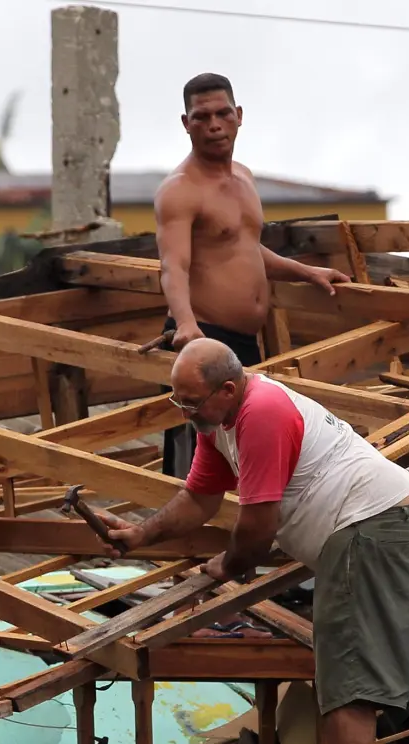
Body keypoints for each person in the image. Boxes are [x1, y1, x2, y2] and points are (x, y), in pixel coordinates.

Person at [96, 338, 409, 744]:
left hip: (368, 528)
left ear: (228, 388)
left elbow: (257, 526)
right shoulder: (219, 423)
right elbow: (198, 498)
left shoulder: (261, 413)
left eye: (192, 401)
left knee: (347, 685)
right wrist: (140, 535)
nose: (186, 412)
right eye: (178, 400)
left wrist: (228, 564)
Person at [152, 72, 347, 475]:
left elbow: (244, 247)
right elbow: (174, 264)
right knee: (201, 462)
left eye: (223, 113)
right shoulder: (179, 189)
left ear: (239, 115)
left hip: (245, 342)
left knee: (250, 449)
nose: (214, 125)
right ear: (186, 124)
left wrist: (306, 272)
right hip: (204, 338)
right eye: (202, 116)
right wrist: (186, 324)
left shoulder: (244, 177)